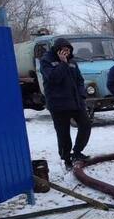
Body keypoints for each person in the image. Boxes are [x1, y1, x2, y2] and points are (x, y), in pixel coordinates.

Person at [39, 37, 91, 168]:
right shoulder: (46, 61)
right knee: (63, 133)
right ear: (57, 50)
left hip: (75, 102)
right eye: (64, 50)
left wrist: (82, 94)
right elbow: (53, 78)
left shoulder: (72, 62)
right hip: (58, 104)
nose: (66, 52)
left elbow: (79, 80)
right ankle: (66, 158)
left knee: (86, 125)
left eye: (68, 50)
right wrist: (63, 63)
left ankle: (77, 152)